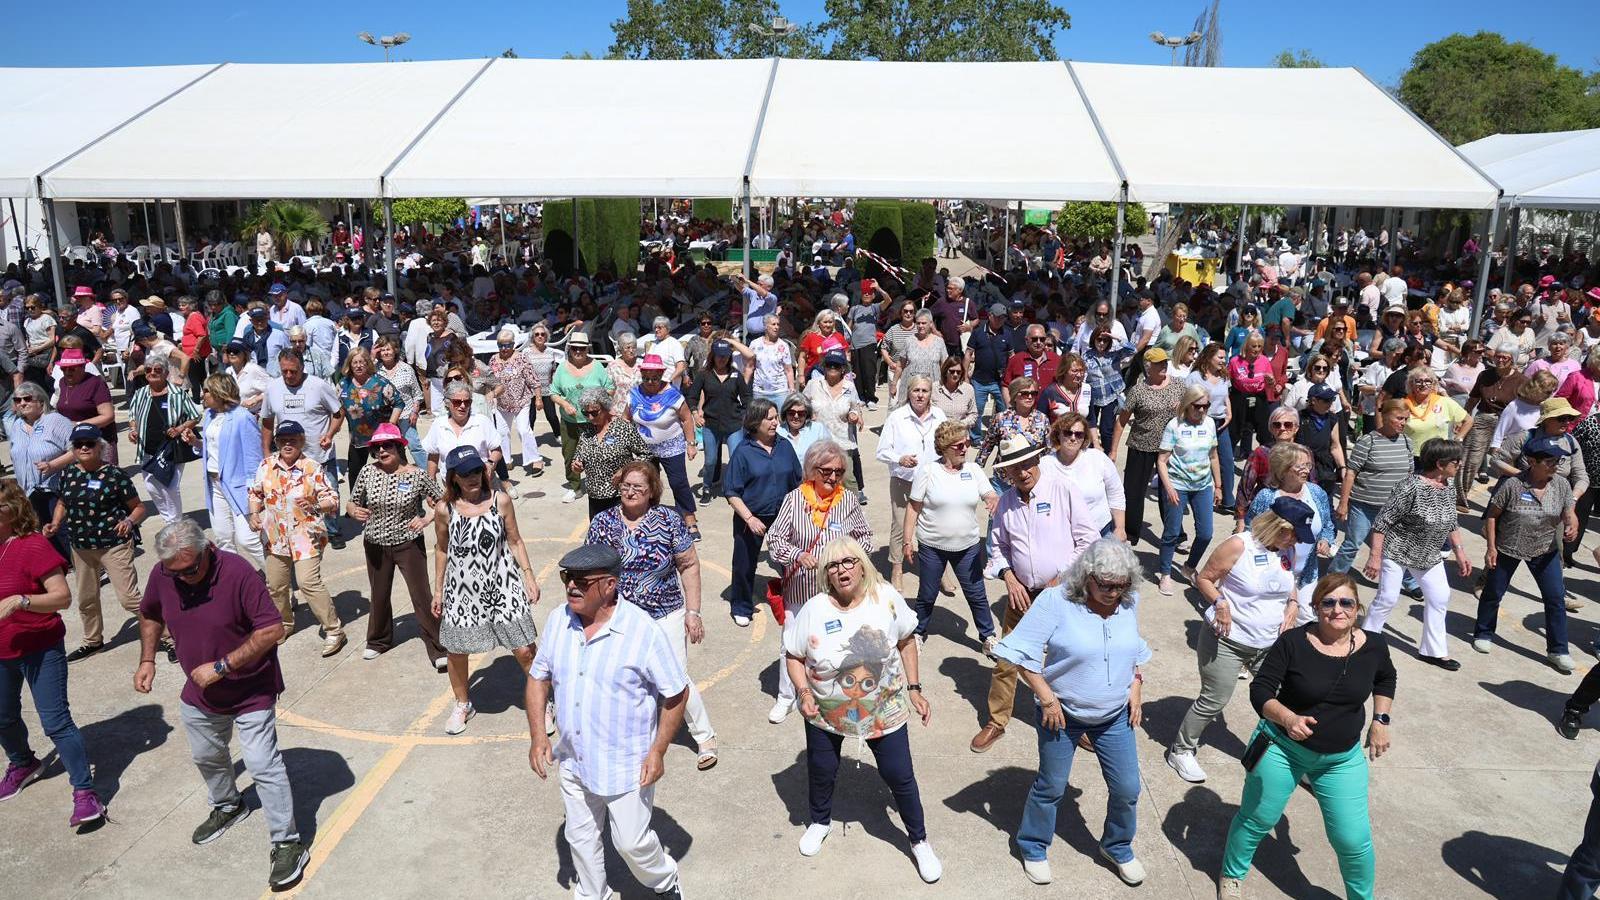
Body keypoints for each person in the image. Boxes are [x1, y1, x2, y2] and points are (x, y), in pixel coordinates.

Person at [134, 519, 309, 890]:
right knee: (206, 756)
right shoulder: (164, 573)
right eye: (173, 572)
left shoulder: (237, 572)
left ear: (206, 551)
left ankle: (287, 842)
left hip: (251, 689)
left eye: (189, 569)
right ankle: (229, 805)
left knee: (262, 764)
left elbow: (272, 629)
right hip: (200, 694)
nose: (181, 578)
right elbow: (149, 613)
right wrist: (147, 659)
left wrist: (222, 666)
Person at [1217, 573, 1395, 900]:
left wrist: (1380, 719)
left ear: (1358, 609)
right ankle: (1232, 874)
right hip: (1281, 748)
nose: (1337, 610)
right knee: (1258, 817)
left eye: (1346, 603)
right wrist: (1287, 718)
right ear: (1315, 607)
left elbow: (1386, 679)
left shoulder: (1375, 646)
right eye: (1328, 602)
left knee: (1353, 840)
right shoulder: (1293, 643)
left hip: (1341, 759)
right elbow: (1260, 690)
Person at [526, 544, 689, 900]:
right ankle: (592, 894)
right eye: (567, 578)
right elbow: (538, 677)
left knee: (630, 842)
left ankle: (663, 880)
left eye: (582, 581)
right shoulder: (558, 621)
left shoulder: (641, 631)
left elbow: (676, 693)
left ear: (610, 585)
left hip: (625, 764)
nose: (571, 587)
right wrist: (539, 735)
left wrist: (658, 750)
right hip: (574, 759)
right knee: (580, 838)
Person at [782, 535, 942, 882]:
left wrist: (915, 689)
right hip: (826, 711)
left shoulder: (885, 598)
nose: (841, 570)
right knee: (822, 769)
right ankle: (820, 821)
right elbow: (794, 656)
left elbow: (906, 640)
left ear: (861, 564)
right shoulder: (814, 608)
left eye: (848, 562)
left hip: (884, 710)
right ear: (826, 573)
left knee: (900, 776)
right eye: (833, 565)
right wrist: (803, 691)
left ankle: (919, 840)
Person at [994, 538, 1151, 888]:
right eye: (1105, 584)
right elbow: (1019, 651)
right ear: (1086, 576)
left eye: (1121, 585)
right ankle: (1033, 846)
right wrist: (1047, 699)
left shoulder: (1129, 600)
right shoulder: (1057, 601)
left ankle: (1117, 846)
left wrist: (1136, 685)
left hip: (1114, 716)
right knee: (1051, 785)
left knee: (1127, 788)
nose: (1113, 592)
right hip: (1062, 715)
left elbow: (1133, 647)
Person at [970, 436, 1100, 754]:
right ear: (1007, 473)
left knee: (1067, 660)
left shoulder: (1062, 489)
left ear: (1037, 460)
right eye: (1015, 467)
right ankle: (997, 721)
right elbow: (996, 548)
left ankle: (1074, 721)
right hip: (1023, 596)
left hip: (1064, 594)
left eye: (1027, 463)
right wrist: (1009, 577)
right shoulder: (1005, 504)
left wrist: (1061, 577)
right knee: (1007, 658)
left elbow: (1089, 539)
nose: (1023, 471)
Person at [585, 460, 717, 768]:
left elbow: (688, 565)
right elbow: (589, 569)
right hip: (619, 615)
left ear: (651, 492)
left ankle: (705, 736)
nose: (630, 492)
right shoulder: (603, 522)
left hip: (665, 612)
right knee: (623, 676)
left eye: (638, 488)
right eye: (625, 486)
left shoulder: (668, 521)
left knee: (674, 676)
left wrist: (693, 612)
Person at [1165, 506, 1302, 785]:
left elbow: (1290, 584)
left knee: (1282, 699)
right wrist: (1220, 602)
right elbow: (1203, 578)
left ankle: (1292, 756)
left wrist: (1293, 604)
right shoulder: (1239, 545)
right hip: (1227, 639)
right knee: (1215, 699)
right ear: (1278, 527)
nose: (1297, 541)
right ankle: (1181, 750)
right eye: (1294, 534)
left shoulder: (1285, 548)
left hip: (1269, 643)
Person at [0, 478, 106, 826]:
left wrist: (22, 602)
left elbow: (62, 597)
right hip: (2, 652)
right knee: (3, 717)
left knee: (55, 722)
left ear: (11, 512)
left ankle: (85, 793)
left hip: (40, 647)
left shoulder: (34, 547)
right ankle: (22, 763)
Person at [429, 447, 541, 736]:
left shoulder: (500, 500)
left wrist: (528, 576)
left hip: (503, 583)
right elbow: (442, 549)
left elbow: (515, 541)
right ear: (453, 478)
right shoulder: (445, 510)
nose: (472, 477)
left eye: (476, 470)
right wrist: (438, 591)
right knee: (455, 651)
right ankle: (462, 703)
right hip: (462, 588)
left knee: (525, 648)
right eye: (465, 473)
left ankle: (543, 702)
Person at [765, 441, 873, 723]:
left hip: (838, 590)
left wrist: (849, 556)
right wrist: (797, 555)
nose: (833, 477)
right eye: (826, 471)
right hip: (801, 588)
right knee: (792, 644)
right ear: (812, 470)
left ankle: (835, 691)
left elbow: (865, 537)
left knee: (837, 639)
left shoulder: (848, 500)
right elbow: (775, 540)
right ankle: (787, 696)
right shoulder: (794, 500)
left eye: (838, 471)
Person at [1471, 434, 1580, 672]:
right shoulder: (1512, 485)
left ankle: (1558, 650)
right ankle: (1484, 632)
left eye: (1557, 461)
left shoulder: (1561, 485)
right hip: (1509, 546)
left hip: (1545, 549)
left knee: (1555, 599)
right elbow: (1492, 516)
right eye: (1549, 461)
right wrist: (1491, 548)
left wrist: (1572, 524)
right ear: (1532, 461)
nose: (1555, 465)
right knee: (1493, 592)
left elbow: (1569, 512)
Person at [1363, 438, 1472, 671]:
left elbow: (1451, 522)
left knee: (1440, 597)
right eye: (1456, 461)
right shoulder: (1409, 486)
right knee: (1388, 598)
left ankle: (1433, 652)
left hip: (1429, 553)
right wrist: (1375, 556)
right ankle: (1366, 641)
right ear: (1440, 464)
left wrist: (1460, 553)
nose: (1460, 464)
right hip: (1398, 550)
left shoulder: (1448, 488)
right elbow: (1383, 522)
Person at [43, 423, 148, 663]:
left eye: (89, 443)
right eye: (78, 444)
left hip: (113, 545)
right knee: (87, 598)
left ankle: (167, 634)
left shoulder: (115, 475)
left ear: (99, 447)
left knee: (128, 598)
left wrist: (130, 522)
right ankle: (93, 641)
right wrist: (56, 523)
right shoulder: (69, 473)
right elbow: (63, 502)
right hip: (80, 547)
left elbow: (139, 508)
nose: (83, 448)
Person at [347, 423, 446, 670]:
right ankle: (378, 641)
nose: (382, 451)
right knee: (379, 594)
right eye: (377, 447)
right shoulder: (368, 473)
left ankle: (438, 647)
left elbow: (444, 501)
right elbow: (352, 502)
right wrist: (353, 512)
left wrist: (426, 519)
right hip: (375, 543)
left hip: (407, 544)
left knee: (421, 596)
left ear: (399, 447)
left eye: (387, 445)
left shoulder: (417, 474)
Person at [246, 421, 344, 656]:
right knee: (276, 586)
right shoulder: (266, 465)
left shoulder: (312, 467)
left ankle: (333, 630)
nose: (287, 444)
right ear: (276, 442)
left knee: (308, 582)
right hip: (275, 536)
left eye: (293, 440)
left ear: (301, 441)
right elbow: (255, 492)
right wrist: (253, 514)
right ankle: (285, 624)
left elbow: (333, 499)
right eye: (282, 440)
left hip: (305, 536)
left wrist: (316, 503)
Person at [904, 421, 998, 651]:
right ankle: (918, 632)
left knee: (976, 594)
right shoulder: (928, 471)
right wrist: (908, 540)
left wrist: (993, 499)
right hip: (932, 545)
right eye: (959, 445)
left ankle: (988, 637)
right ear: (944, 447)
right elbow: (913, 507)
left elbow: (989, 493)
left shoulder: (973, 470)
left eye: (967, 443)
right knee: (927, 593)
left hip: (967, 546)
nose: (965, 448)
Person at [724, 399, 802, 628]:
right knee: (744, 563)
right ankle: (741, 606)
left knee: (792, 560)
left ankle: (794, 599)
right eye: (770, 418)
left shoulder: (784, 446)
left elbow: (798, 480)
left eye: (776, 417)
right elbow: (732, 492)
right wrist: (749, 518)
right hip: (752, 516)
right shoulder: (743, 452)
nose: (775, 422)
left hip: (784, 515)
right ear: (755, 421)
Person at [877, 375, 946, 590]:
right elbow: (881, 451)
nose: (920, 395)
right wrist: (900, 459)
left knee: (934, 525)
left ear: (930, 394)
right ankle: (897, 569)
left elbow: (947, 443)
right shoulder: (897, 418)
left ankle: (939, 571)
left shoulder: (939, 415)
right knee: (900, 525)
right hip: (904, 480)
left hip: (932, 480)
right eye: (916, 390)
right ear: (908, 392)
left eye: (924, 391)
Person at [190, 373, 266, 566]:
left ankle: (276, 578)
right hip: (214, 483)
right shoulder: (209, 415)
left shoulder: (243, 418)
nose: (202, 395)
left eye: (206, 391)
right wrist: (197, 443)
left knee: (248, 539)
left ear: (219, 392)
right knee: (223, 537)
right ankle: (235, 580)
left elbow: (254, 460)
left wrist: (254, 493)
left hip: (239, 486)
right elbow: (216, 449)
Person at [1113, 348, 1185, 546]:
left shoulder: (1179, 385)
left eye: (1165, 362)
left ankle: (1175, 534)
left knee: (1170, 491)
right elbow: (1121, 421)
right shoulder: (1138, 391)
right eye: (1159, 363)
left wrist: (1183, 409)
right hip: (1141, 445)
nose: (1164, 366)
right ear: (1148, 367)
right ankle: (1131, 533)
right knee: (1134, 492)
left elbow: (1192, 412)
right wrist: (1113, 450)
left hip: (1169, 449)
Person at [1332, 401, 1413, 575]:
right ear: (1385, 416)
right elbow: (1351, 474)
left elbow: (1409, 476)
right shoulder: (1368, 441)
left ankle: (1408, 581)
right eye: (1399, 418)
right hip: (1364, 507)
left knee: (1396, 546)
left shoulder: (1407, 442)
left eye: (1406, 419)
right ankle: (1333, 578)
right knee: (1352, 544)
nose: (1403, 423)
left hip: (1394, 510)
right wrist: (1343, 504)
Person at [1155, 385, 1221, 595]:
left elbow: (1213, 456)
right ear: (1188, 404)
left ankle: (1189, 567)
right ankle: (1165, 573)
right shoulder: (1174, 426)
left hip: (1202, 485)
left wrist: (1218, 486)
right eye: (1198, 406)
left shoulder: (1210, 423)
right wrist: (1169, 487)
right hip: (1178, 485)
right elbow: (1162, 460)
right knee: (1172, 532)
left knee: (1206, 533)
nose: (1202, 411)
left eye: (1206, 406)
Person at [625, 354, 700, 537]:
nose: (650, 382)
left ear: (662, 375)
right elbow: (625, 420)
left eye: (655, 378)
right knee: (646, 484)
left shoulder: (672, 395)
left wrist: (691, 444)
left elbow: (687, 419)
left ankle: (689, 518)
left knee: (679, 482)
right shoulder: (634, 393)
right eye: (646, 378)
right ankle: (649, 517)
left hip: (671, 446)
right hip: (644, 449)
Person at [127, 353, 203, 526]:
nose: (152, 373)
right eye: (148, 370)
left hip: (171, 449)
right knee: (151, 485)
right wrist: (133, 429)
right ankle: (169, 519)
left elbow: (195, 416)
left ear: (166, 373)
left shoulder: (178, 394)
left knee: (170, 487)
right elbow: (133, 416)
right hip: (148, 449)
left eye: (157, 370)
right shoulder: (140, 394)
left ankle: (175, 524)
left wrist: (180, 429)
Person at [5, 383, 75, 563]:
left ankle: (90, 568)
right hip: (28, 491)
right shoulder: (16, 425)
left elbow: (78, 449)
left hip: (55, 488)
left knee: (62, 530)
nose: (22, 403)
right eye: (17, 400)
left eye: (27, 398)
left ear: (41, 401)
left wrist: (53, 465)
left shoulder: (56, 421)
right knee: (41, 531)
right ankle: (60, 565)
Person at [550, 331, 614, 504]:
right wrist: (564, 404)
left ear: (587, 349)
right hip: (570, 421)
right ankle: (575, 486)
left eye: (582, 349)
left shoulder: (597, 367)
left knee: (599, 453)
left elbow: (610, 388)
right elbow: (554, 393)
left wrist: (596, 402)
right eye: (575, 348)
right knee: (570, 454)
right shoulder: (562, 367)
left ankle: (600, 481)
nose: (578, 351)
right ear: (570, 349)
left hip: (594, 420)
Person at [571, 387, 654, 519]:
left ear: (605, 408)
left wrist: (626, 471)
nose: (590, 417)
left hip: (619, 495)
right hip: (594, 497)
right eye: (586, 413)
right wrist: (576, 465)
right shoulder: (586, 431)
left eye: (594, 412)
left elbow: (646, 454)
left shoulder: (623, 428)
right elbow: (578, 456)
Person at [686, 340, 751, 503]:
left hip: (734, 424)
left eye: (725, 356)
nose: (722, 359)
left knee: (736, 457)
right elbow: (692, 396)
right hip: (711, 423)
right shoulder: (704, 374)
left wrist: (744, 415)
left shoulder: (736, 375)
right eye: (719, 356)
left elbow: (747, 398)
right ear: (713, 356)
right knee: (710, 460)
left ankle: (734, 488)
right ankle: (707, 487)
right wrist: (695, 414)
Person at [1043, 412, 1125, 539]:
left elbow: (1116, 493)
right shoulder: (1045, 464)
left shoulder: (1098, 458)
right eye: (1067, 433)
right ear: (1058, 434)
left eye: (1079, 434)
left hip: (1100, 532)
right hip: (1062, 536)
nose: (1073, 438)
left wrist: (1120, 528)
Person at [803, 350, 867, 499]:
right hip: (818, 443)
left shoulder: (849, 387)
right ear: (824, 367)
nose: (832, 368)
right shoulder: (813, 384)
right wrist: (808, 414)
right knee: (818, 479)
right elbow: (800, 404)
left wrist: (855, 415)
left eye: (836, 366)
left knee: (848, 479)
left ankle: (852, 511)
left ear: (843, 369)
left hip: (843, 441)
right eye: (829, 365)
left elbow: (855, 407)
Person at [486, 326, 544, 477]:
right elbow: (489, 380)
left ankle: (535, 460)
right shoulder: (493, 359)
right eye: (501, 345)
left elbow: (534, 380)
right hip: (502, 403)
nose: (504, 348)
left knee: (524, 430)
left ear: (513, 344)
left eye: (508, 345)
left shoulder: (521, 358)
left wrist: (538, 399)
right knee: (502, 432)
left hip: (522, 401)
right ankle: (505, 460)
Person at [1398, 367, 1472, 462]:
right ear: (1411, 384)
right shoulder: (1402, 404)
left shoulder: (1445, 402)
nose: (1423, 384)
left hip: (1438, 456)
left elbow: (1468, 420)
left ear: (1434, 385)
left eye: (1428, 381)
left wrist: (1458, 440)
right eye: (1418, 381)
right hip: (1409, 455)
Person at [1228, 333, 1275, 456]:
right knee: (1234, 431)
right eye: (1254, 346)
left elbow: (1271, 383)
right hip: (1240, 397)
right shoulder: (1235, 361)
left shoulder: (1264, 360)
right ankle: (1227, 460)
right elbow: (1227, 380)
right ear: (1247, 346)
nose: (1257, 349)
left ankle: (1266, 460)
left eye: (1260, 346)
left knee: (1264, 432)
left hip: (1259, 396)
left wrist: (1270, 381)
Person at [932, 355, 978, 439]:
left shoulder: (968, 389)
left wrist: (960, 424)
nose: (955, 374)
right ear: (945, 371)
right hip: (939, 435)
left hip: (960, 436)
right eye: (952, 371)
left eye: (958, 372)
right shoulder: (934, 388)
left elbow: (973, 414)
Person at [776, 392, 830, 463]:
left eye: (801, 413)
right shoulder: (778, 431)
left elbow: (829, 455)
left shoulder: (818, 429)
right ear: (785, 412)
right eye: (791, 413)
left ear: (807, 414)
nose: (796, 416)